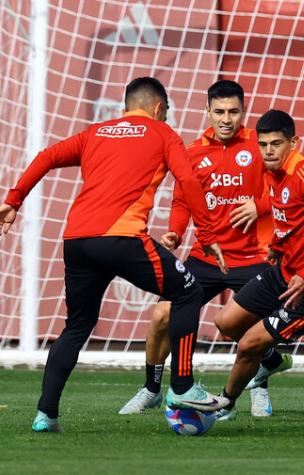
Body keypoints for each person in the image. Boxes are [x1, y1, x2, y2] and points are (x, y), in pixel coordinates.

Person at [0, 77, 231, 433]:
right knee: (189, 291)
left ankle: (46, 415)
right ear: (158, 108)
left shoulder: (96, 133)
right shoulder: (163, 133)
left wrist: (13, 201)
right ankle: (182, 386)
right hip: (120, 238)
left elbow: (46, 157)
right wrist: (209, 234)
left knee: (76, 327)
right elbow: (189, 182)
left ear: (125, 108)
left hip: (77, 241)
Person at [118, 80, 276, 418]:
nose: (226, 119)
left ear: (244, 112)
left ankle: (258, 385)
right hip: (206, 256)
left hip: (252, 257)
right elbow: (182, 200)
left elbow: (284, 189)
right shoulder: (192, 151)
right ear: (208, 112)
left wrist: (259, 206)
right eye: (219, 111)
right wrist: (174, 234)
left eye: (233, 111)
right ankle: (151, 389)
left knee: (249, 329)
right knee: (162, 314)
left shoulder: (259, 146)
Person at [213, 109, 304, 419]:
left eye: (276, 144)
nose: (268, 151)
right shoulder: (273, 172)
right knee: (226, 323)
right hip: (288, 271)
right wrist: (278, 247)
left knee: (249, 343)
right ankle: (272, 361)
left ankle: (225, 403)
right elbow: (289, 210)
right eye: (263, 145)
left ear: (294, 142)